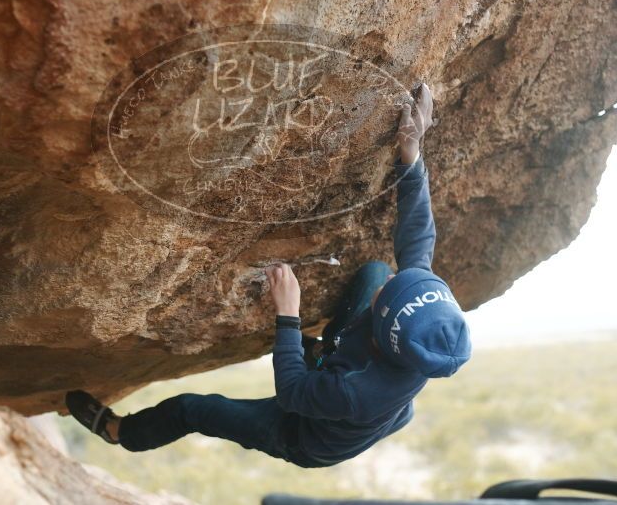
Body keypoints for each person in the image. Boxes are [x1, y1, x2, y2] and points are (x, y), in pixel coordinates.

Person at [64, 82, 471, 468]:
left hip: (303, 433)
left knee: (192, 409)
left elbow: (292, 393)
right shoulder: (417, 328)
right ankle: (329, 354)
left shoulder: (354, 390)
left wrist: (288, 315)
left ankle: (121, 432)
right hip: (369, 397)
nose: (387, 288)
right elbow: (417, 236)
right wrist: (411, 149)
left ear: (384, 341)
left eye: (387, 298)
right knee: (375, 270)